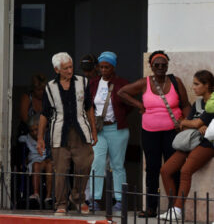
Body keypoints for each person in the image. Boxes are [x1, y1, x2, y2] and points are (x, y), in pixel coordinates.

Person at [118, 50, 191, 218]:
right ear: (151, 66)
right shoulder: (145, 83)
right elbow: (122, 92)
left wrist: (187, 123)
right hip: (150, 133)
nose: (160, 67)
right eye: (156, 65)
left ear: (167, 66)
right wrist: (139, 104)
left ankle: (175, 208)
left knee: (174, 169)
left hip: (173, 132)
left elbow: (186, 104)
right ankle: (151, 207)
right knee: (152, 169)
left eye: (163, 65)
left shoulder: (175, 81)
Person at [37, 52, 97, 215]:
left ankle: (78, 197)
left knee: (85, 164)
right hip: (59, 133)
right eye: (65, 68)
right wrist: (40, 138)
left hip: (81, 132)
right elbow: (45, 113)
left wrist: (94, 130)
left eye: (71, 67)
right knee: (61, 169)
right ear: (57, 70)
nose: (70, 71)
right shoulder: (50, 87)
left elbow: (89, 107)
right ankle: (61, 203)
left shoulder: (83, 82)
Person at [158, 70, 214, 221]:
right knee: (165, 170)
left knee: (185, 171)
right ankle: (173, 207)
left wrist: (190, 123)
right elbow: (187, 125)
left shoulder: (212, 103)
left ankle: (177, 209)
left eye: (197, 84)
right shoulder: (197, 103)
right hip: (191, 141)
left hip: (207, 144)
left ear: (207, 85)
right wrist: (193, 125)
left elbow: (194, 122)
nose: (193, 87)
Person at [87, 51, 132, 212]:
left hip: (116, 128)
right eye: (101, 67)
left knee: (117, 165)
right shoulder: (92, 84)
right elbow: (88, 105)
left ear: (113, 67)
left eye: (107, 67)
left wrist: (117, 117)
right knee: (97, 162)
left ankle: (120, 200)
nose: (104, 70)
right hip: (98, 129)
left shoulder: (122, 83)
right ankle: (94, 198)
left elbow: (128, 105)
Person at [18, 115, 53, 208]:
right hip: (36, 161)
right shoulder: (27, 137)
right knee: (36, 165)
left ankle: (48, 197)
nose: (34, 132)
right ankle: (36, 194)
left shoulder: (48, 135)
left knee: (49, 165)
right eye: (31, 130)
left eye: (36, 129)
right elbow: (20, 140)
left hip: (47, 159)